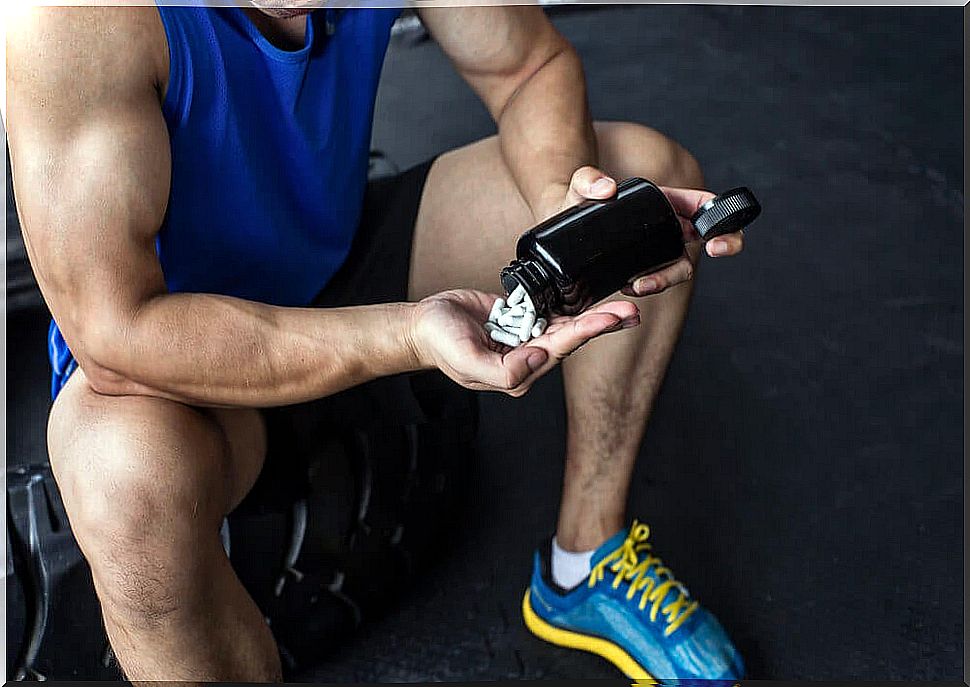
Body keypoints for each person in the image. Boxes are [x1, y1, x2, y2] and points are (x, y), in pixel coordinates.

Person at [5, 3, 747, 681]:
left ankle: (583, 562)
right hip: (183, 365)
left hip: (342, 255)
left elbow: (526, 65)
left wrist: (565, 215)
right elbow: (115, 331)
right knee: (120, 478)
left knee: (645, 185)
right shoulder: (73, 22)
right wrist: (409, 335)